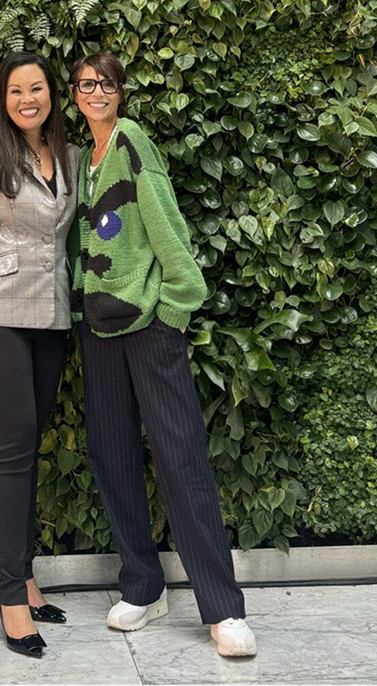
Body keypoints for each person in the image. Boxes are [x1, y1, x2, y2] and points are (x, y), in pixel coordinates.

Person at [68, 52, 257, 657]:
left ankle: (223, 610)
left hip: (149, 325)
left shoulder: (132, 143)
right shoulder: (83, 163)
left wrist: (176, 307)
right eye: (85, 84)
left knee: (180, 457)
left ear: (120, 91)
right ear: (75, 95)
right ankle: (144, 587)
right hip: (97, 331)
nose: (95, 92)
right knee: (113, 454)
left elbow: (165, 224)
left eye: (105, 83)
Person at [0, 51, 80, 658]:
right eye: (16, 91)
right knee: (11, 445)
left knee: (28, 446)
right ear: (2, 98)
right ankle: (8, 596)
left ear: (52, 94)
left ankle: (25, 577)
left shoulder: (70, 157)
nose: (29, 99)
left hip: (51, 315)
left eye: (38, 88)